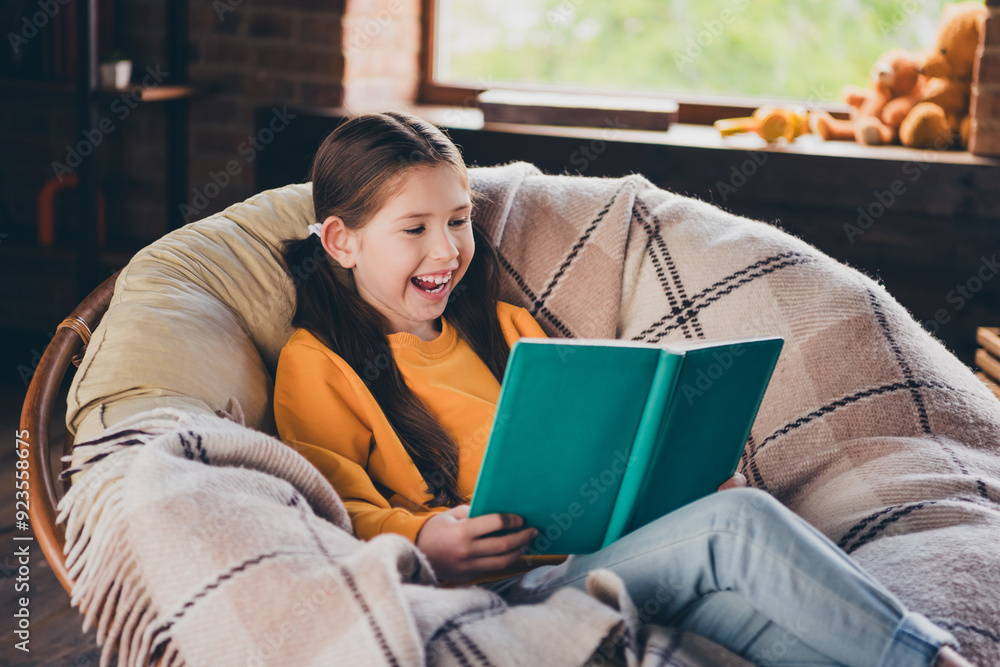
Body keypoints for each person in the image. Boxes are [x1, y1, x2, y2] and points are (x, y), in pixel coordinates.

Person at [273, 111, 971, 667]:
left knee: (756, 623)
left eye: (459, 220)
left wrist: (683, 487)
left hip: (596, 561)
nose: (447, 250)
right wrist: (425, 536)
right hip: (508, 592)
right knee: (741, 524)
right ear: (341, 241)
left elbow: (604, 452)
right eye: (414, 229)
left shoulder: (509, 329)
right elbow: (329, 510)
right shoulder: (319, 363)